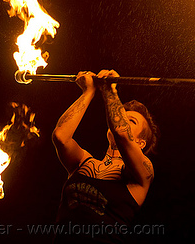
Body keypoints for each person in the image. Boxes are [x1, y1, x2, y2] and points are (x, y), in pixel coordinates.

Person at [52, 70, 159, 243]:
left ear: (140, 143)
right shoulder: (83, 162)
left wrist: (110, 90)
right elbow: (60, 136)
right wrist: (89, 92)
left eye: (130, 121)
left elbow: (121, 133)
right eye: (120, 116)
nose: (121, 120)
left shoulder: (142, 172)